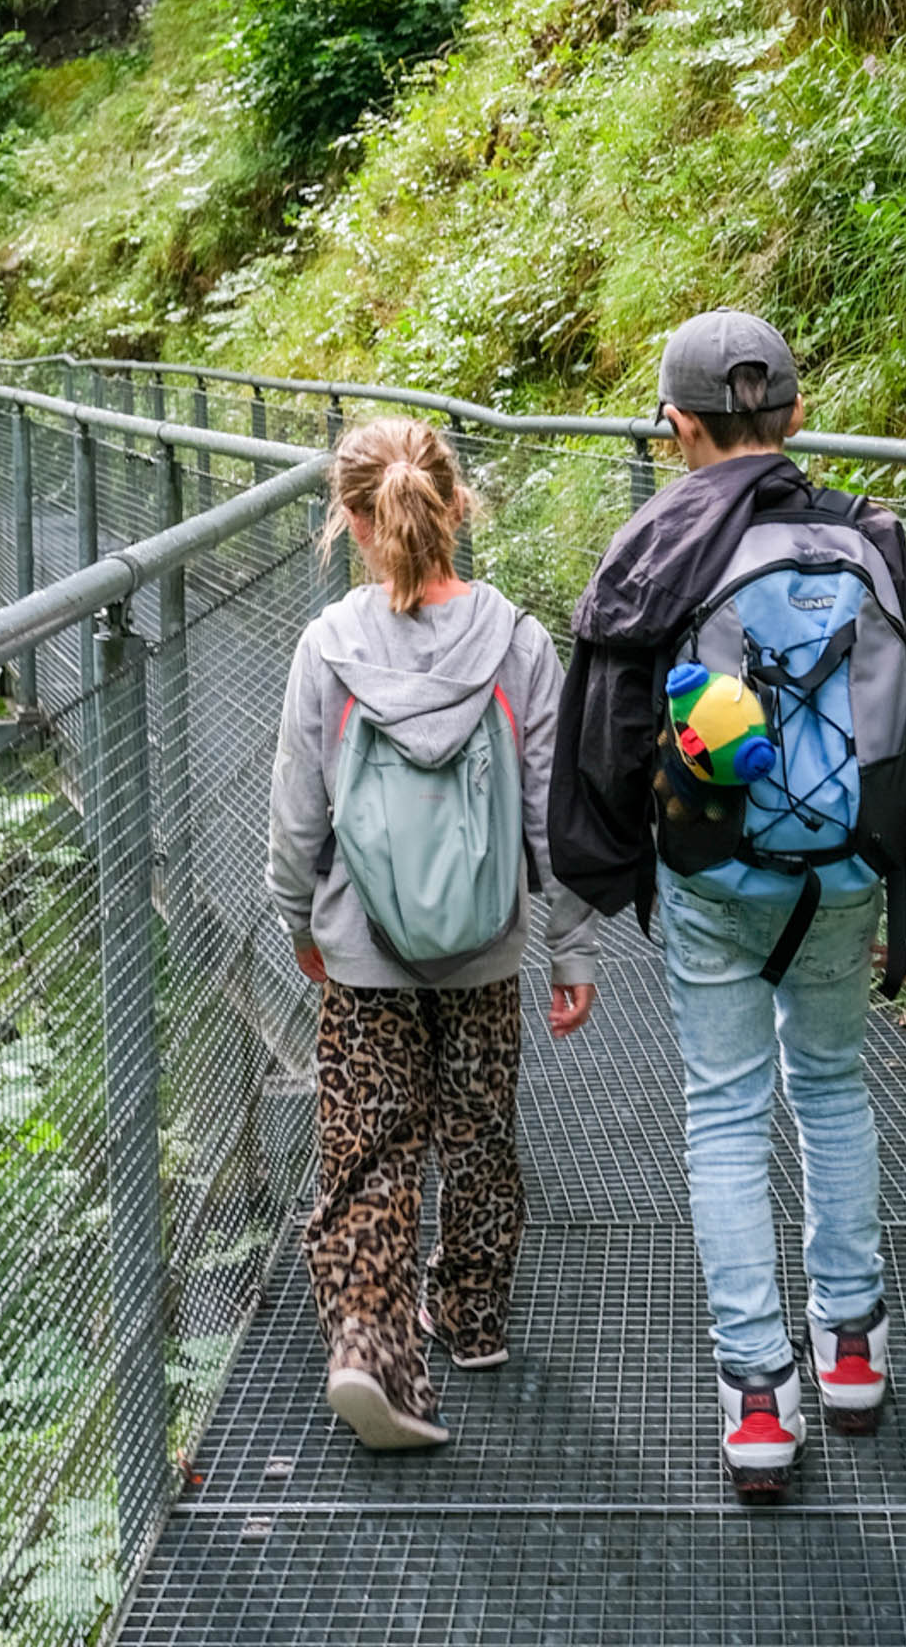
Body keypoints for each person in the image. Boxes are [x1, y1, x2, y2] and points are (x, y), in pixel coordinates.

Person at [547, 308, 906, 1500]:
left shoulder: (654, 544)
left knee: (725, 1112)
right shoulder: (869, 536)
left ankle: (755, 1398)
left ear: (675, 425)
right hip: (845, 871)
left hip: (712, 874)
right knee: (830, 1084)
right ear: (790, 415)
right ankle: (852, 1349)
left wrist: (600, 881)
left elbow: (605, 726)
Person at [266, 417, 602, 1451]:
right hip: (485, 941)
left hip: (362, 945)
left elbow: (296, 815)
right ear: (458, 504)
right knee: (476, 1131)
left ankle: (370, 1347)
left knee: (367, 1149)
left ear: (352, 524)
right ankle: (473, 1316)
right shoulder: (518, 641)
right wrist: (570, 946)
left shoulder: (328, 645)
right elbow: (552, 811)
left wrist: (296, 918)